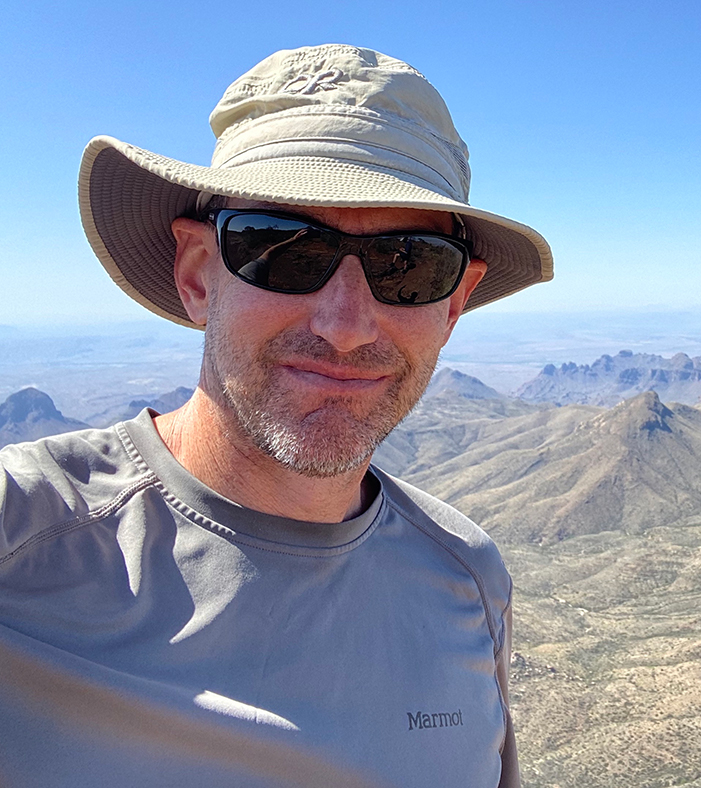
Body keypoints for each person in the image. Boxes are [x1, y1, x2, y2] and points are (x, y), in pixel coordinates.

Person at [0, 44, 552, 787]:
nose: (345, 325)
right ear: (198, 276)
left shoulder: (468, 577)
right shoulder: (22, 540)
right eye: (282, 249)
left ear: (453, 305)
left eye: (409, 265)